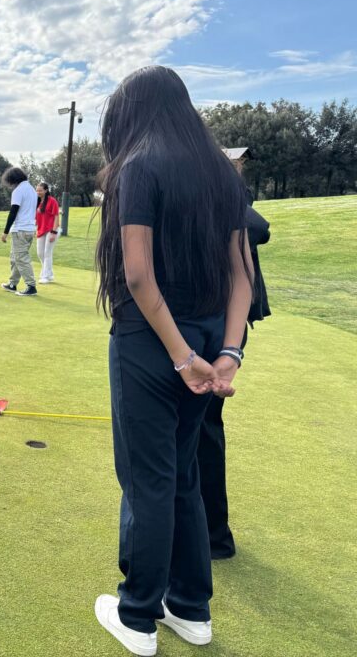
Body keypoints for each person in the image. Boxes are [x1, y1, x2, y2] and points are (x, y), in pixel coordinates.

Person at [93, 66, 252, 656]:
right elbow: (242, 274)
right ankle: (189, 607)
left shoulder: (138, 165)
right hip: (207, 338)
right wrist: (227, 353)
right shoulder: (222, 171)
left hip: (151, 341)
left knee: (149, 478)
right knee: (183, 473)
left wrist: (182, 357)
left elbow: (137, 274)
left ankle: (137, 615)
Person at [197, 203, 271, 560]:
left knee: (203, 432)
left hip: (222, 329)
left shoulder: (224, 197)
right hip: (213, 324)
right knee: (199, 431)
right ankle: (207, 533)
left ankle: (213, 537)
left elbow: (259, 226)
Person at [0, 167, 37, 296]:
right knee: (15, 257)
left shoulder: (18, 190)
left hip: (20, 229)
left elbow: (13, 211)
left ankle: (31, 286)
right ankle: (12, 284)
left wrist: (5, 232)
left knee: (21, 258)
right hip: (29, 229)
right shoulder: (32, 189)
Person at [35, 181, 60, 283]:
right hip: (41, 230)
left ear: (46, 190)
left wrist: (54, 232)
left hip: (51, 229)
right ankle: (49, 273)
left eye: (40, 190)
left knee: (47, 253)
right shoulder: (37, 202)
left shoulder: (52, 201)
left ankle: (45, 276)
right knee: (40, 253)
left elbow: (56, 216)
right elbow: (36, 218)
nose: (38, 192)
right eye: (37, 190)